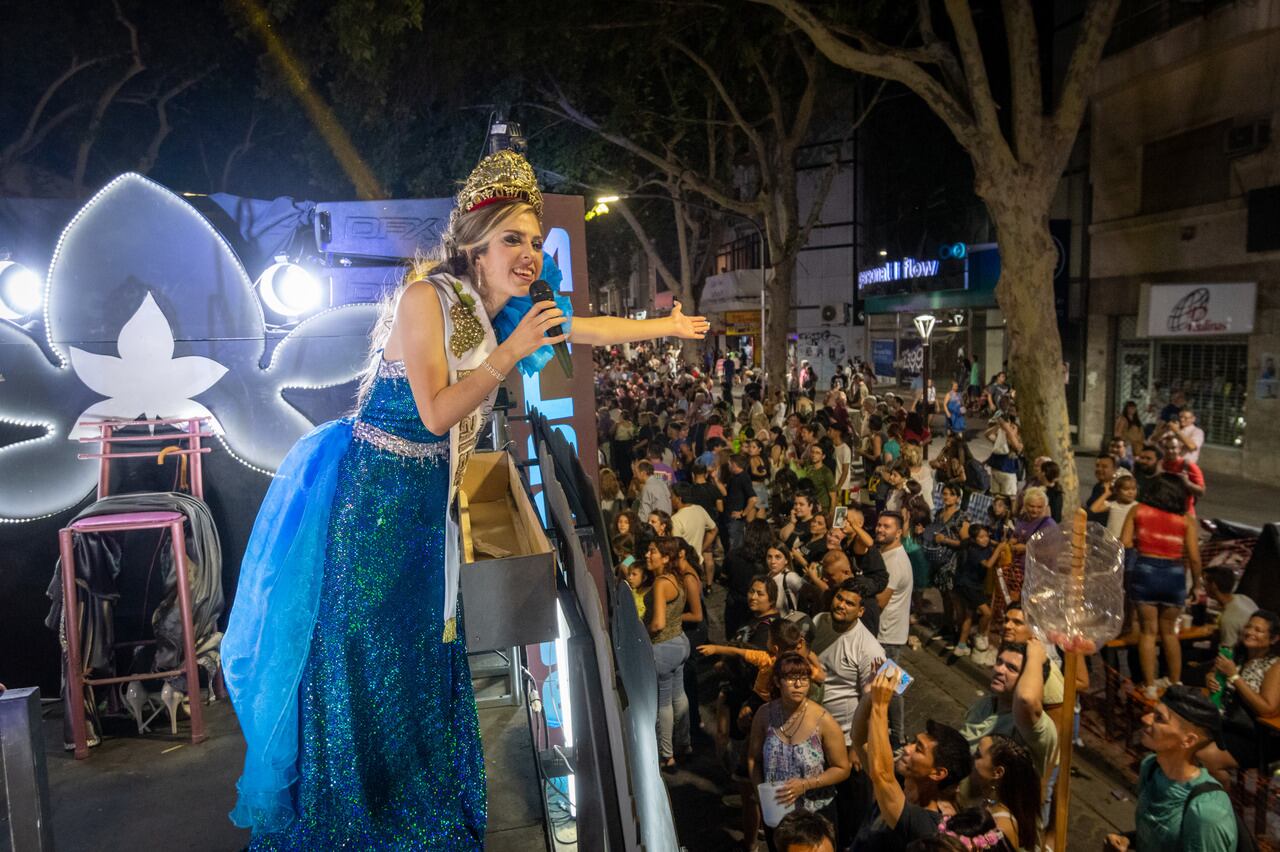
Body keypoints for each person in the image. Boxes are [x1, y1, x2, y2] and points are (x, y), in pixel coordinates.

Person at [222, 149, 709, 846]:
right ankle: (359, 815)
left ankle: (413, 802)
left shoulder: (506, 308)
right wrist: (509, 356)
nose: (529, 254)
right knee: (366, 654)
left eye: (536, 242)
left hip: (425, 510)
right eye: (514, 239)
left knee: (419, 654)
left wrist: (665, 327)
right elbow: (433, 415)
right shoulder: (429, 298)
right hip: (376, 507)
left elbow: (588, 328)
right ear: (475, 245)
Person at [850, 665, 973, 852]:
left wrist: (881, 706)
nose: (907, 749)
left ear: (938, 773)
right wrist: (872, 696)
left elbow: (881, 774)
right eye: (913, 742)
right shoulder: (899, 780)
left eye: (919, 749)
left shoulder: (927, 824)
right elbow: (859, 740)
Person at [1103, 686, 1237, 852]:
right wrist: (1127, 841)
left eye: (1159, 718)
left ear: (1188, 740)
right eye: (1153, 712)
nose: (1145, 718)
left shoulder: (1207, 813)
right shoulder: (1151, 767)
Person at [749, 652, 851, 845]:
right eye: (791, 678)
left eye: (804, 679)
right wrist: (761, 795)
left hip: (815, 816)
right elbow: (754, 759)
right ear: (778, 682)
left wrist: (805, 784)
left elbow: (842, 768)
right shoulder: (764, 715)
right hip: (777, 814)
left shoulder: (823, 720)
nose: (798, 685)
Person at [1121, 474, 1201, 698]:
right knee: (1169, 632)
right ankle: (1175, 682)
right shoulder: (1186, 520)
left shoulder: (1138, 510)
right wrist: (1196, 584)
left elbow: (1125, 542)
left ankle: (1149, 686)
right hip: (1174, 575)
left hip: (1145, 571)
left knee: (1148, 632)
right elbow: (1194, 557)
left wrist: (1142, 542)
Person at [1198, 610, 1280, 786]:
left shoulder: (1275, 666)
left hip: (1255, 735)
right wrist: (1210, 678)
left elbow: (1267, 708)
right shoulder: (1236, 654)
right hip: (1224, 724)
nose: (1250, 632)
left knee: (1204, 757)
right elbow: (1213, 672)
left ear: (1273, 639)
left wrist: (1234, 677)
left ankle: (1223, 801)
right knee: (1184, 740)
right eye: (1249, 626)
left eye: (1259, 630)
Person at [958, 641, 1058, 785]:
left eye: (1011, 668)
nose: (999, 669)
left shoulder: (1033, 726)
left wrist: (1035, 655)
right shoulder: (987, 703)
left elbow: (1026, 699)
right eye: (999, 662)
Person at [646, 537, 692, 769]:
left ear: (665, 557)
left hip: (663, 647)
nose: (647, 555)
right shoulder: (677, 578)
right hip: (680, 642)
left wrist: (643, 633)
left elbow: (658, 623)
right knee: (678, 695)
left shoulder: (661, 583)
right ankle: (684, 743)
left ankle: (667, 755)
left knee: (662, 703)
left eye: (652, 551)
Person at [966, 735, 1040, 851]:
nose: (972, 757)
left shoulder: (1000, 827)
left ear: (997, 772)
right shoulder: (988, 802)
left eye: (978, 755)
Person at [672, 483, 718, 589]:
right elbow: (714, 530)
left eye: (672, 496)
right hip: (698, 562)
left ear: (679, 498)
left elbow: (676, 546)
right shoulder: (699, 509)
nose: (670, 499)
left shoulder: (676, 519)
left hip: (684, 566)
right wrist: (701, 549)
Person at [1203, 566, 1257, 650]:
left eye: (1205, 582)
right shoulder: (1243, 598)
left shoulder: (1228, 619)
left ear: (1214, 586)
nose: (1203, 586)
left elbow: (1227, 653)